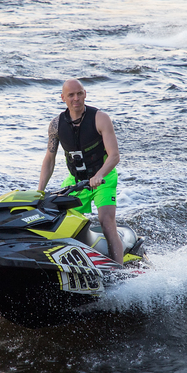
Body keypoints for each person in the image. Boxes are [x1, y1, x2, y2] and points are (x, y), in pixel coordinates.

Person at [37, 79, 124, 265]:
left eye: (80, 93)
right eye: (71, 95)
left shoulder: (100, 118)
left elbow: (114, 156)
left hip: (104, 177)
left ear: (85, 94)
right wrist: (40, 191)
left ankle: (119, 271)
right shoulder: (56, 125)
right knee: (58, 220)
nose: (76, 98)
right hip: (76, 180)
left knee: (106, 221)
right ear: (63, 98)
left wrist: (100, 175)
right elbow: (49, 160)